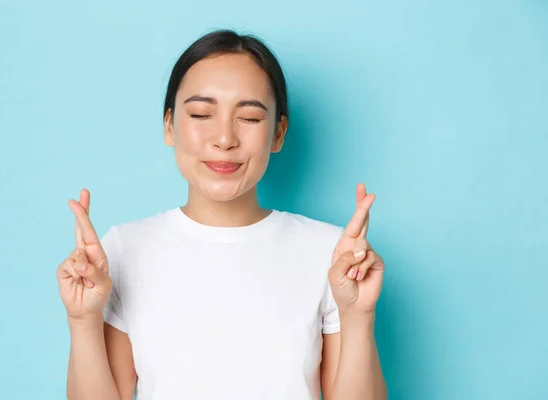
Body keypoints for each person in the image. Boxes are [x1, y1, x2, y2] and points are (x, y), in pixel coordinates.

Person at [57, 29, 387, 400]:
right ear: (169, 125)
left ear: (278, 134)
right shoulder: (122, 248)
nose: (224, 138)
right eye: (201, 113)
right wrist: (83, 320)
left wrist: (358, 316)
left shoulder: (329, 253)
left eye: (248, 118)